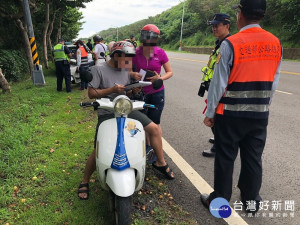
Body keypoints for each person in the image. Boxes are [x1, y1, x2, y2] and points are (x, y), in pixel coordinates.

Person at [200, 0, 282, 214]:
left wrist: (210, 113)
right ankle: (251, 200)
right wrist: (264, 106)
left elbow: (218, 84)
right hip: (259, 115)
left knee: (226, 157)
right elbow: (274, 81)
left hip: (230, 114)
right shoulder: (276, 43)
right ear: (261, 16)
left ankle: (219, 201)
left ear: (240, 15)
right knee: (253, 157)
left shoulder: (231, 44)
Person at [77, 41, 175, 200]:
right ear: (116, 56)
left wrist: (133, 90)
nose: (129, 63)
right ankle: (85, 180)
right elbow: (91, 94)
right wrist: (112, 90)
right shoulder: (98, 69)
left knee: (154, 129)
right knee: (98, 149)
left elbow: (126, 94)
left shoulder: (125, 70)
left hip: (126, 109)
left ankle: (161, 163)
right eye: (126, 59)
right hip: (107, 112)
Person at [131, 24, 173, 162]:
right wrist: (133, 74)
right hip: (140, 92)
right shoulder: (135, 53)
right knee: (144, 123)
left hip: (157, 92)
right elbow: (125, 70)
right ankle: (147, 147)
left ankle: (156, 151)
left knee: (155, 122)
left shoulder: (160, 53)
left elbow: (170, 72)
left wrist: (159, 78)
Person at [199, 13, 231, 158]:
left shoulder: (228, 44)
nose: (214, 28)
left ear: (227, 26)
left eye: (217, 25)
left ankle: (219, 145)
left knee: (217, 118)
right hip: (213, 85)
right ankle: (219, 139)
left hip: (222, 89)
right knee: (216, 118)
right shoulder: (220, 43)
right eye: (212, 26)